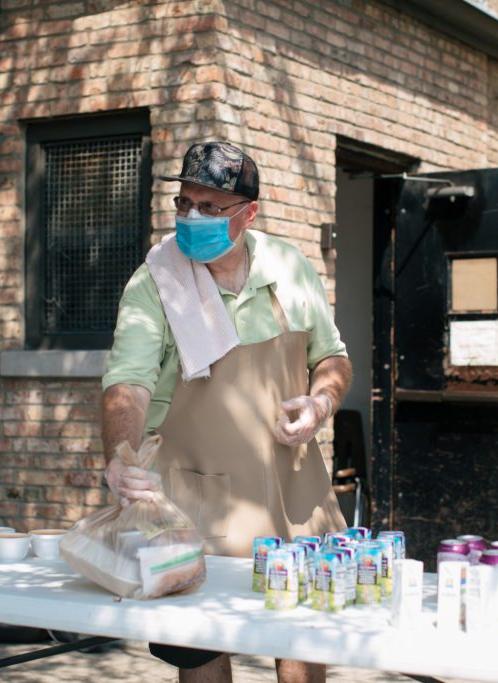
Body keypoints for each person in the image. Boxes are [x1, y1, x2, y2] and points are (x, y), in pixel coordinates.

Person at [100, 141, 352, 683]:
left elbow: (332, 356)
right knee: (201, 654)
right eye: (184, 203)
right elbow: (129, 383)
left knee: (302, 642)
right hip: (198, 501)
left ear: (249, 213)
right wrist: (121, 454)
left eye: (211, 208)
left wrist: (321, 401)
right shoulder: (156, 282)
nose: (192, 217)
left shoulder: (290, 266)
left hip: (293, 495)